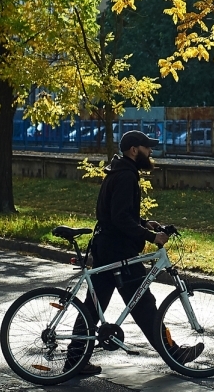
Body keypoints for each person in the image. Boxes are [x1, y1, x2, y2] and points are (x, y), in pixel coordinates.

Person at [65, 130, 203, 376]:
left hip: (107, 247)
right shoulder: (127, 175)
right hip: (119, 253)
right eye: (147, 148)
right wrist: (151, 236)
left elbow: (119, 213)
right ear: (134, 150)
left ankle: (74, 360)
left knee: (93, 306)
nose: (150, 152)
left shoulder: (117, 171)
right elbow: (119, 217)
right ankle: (175, 355)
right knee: (145, 305)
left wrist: (144, 222)